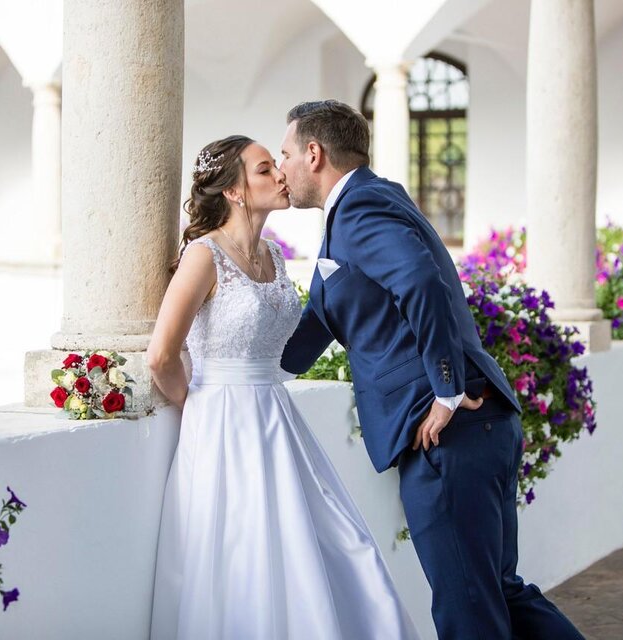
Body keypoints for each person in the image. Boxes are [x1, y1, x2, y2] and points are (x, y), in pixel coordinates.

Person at [278, 100, 585, 640]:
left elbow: (422, 282)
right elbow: (325, 317)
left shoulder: (359, 210)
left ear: (313, 152)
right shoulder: (371, 201)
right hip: (479, 423)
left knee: (468, 608)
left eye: (284, 155)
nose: (281, 170)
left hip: (447, 430)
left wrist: (445, 390)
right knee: (499, 592)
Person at [147, 134, 420, 640]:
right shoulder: (203, 257)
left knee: (325, 542)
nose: (279, 175)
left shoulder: (273, 255)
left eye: (277, 164)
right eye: (264, 169)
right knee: (242, 555)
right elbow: (162, 354)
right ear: (233, 191)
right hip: (221, 424)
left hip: (276, 417)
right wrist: (199, 404)